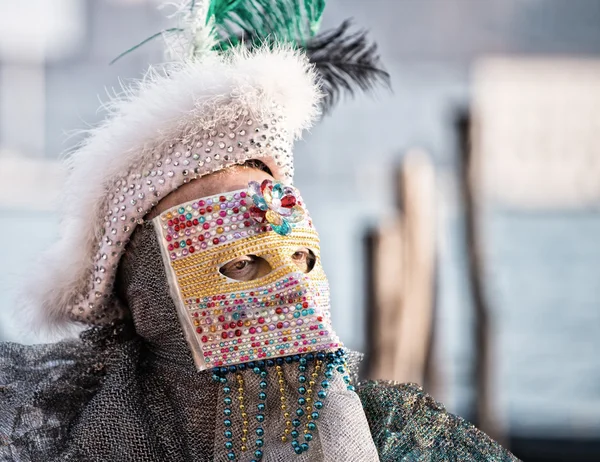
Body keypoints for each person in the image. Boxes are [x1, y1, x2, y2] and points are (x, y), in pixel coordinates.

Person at [0, 1, 518, 461]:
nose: (298, 307)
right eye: (243, 264)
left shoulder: (405, 443)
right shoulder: (41, 438)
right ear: (146, 296)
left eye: (302, 262)